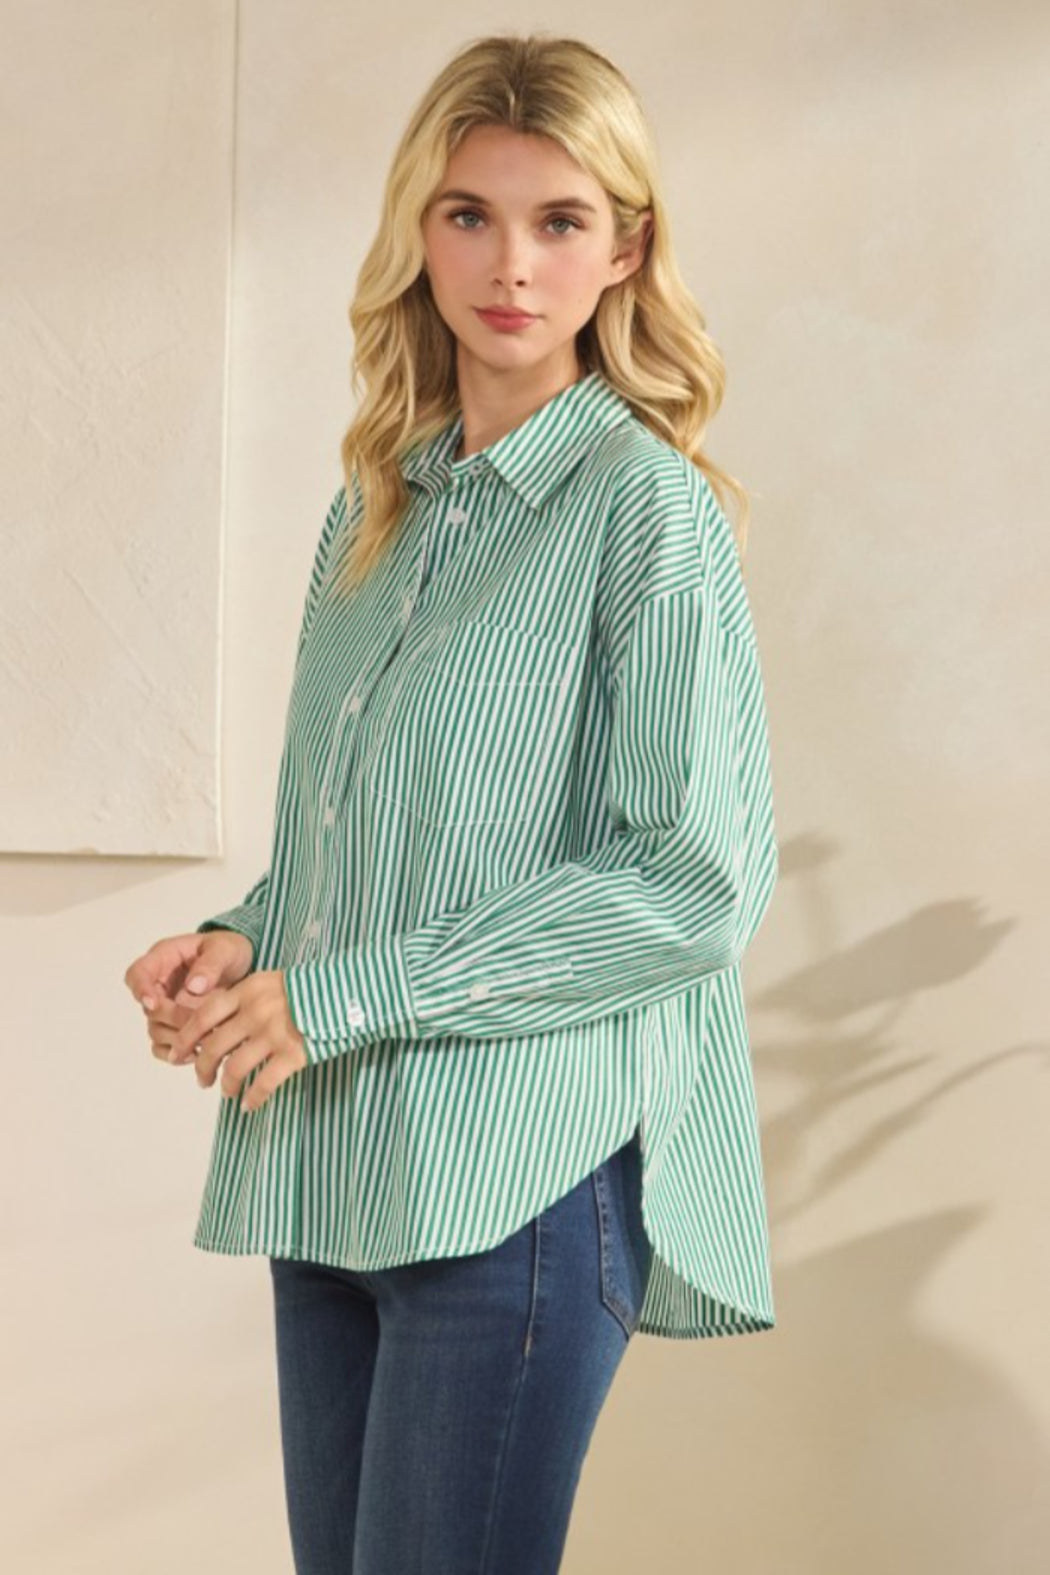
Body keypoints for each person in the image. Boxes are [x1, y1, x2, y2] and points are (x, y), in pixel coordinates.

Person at [124, 31, 779, 1575]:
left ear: (625, 250)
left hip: (515, 1196)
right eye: (469, 214)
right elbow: (352, 843)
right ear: (418, 232)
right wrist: (244, 944)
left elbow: (692, 880)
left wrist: (339, 996)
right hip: (332, 1175)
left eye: (560, 221)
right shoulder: (375, 510)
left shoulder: (644, 512)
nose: (510, 265)